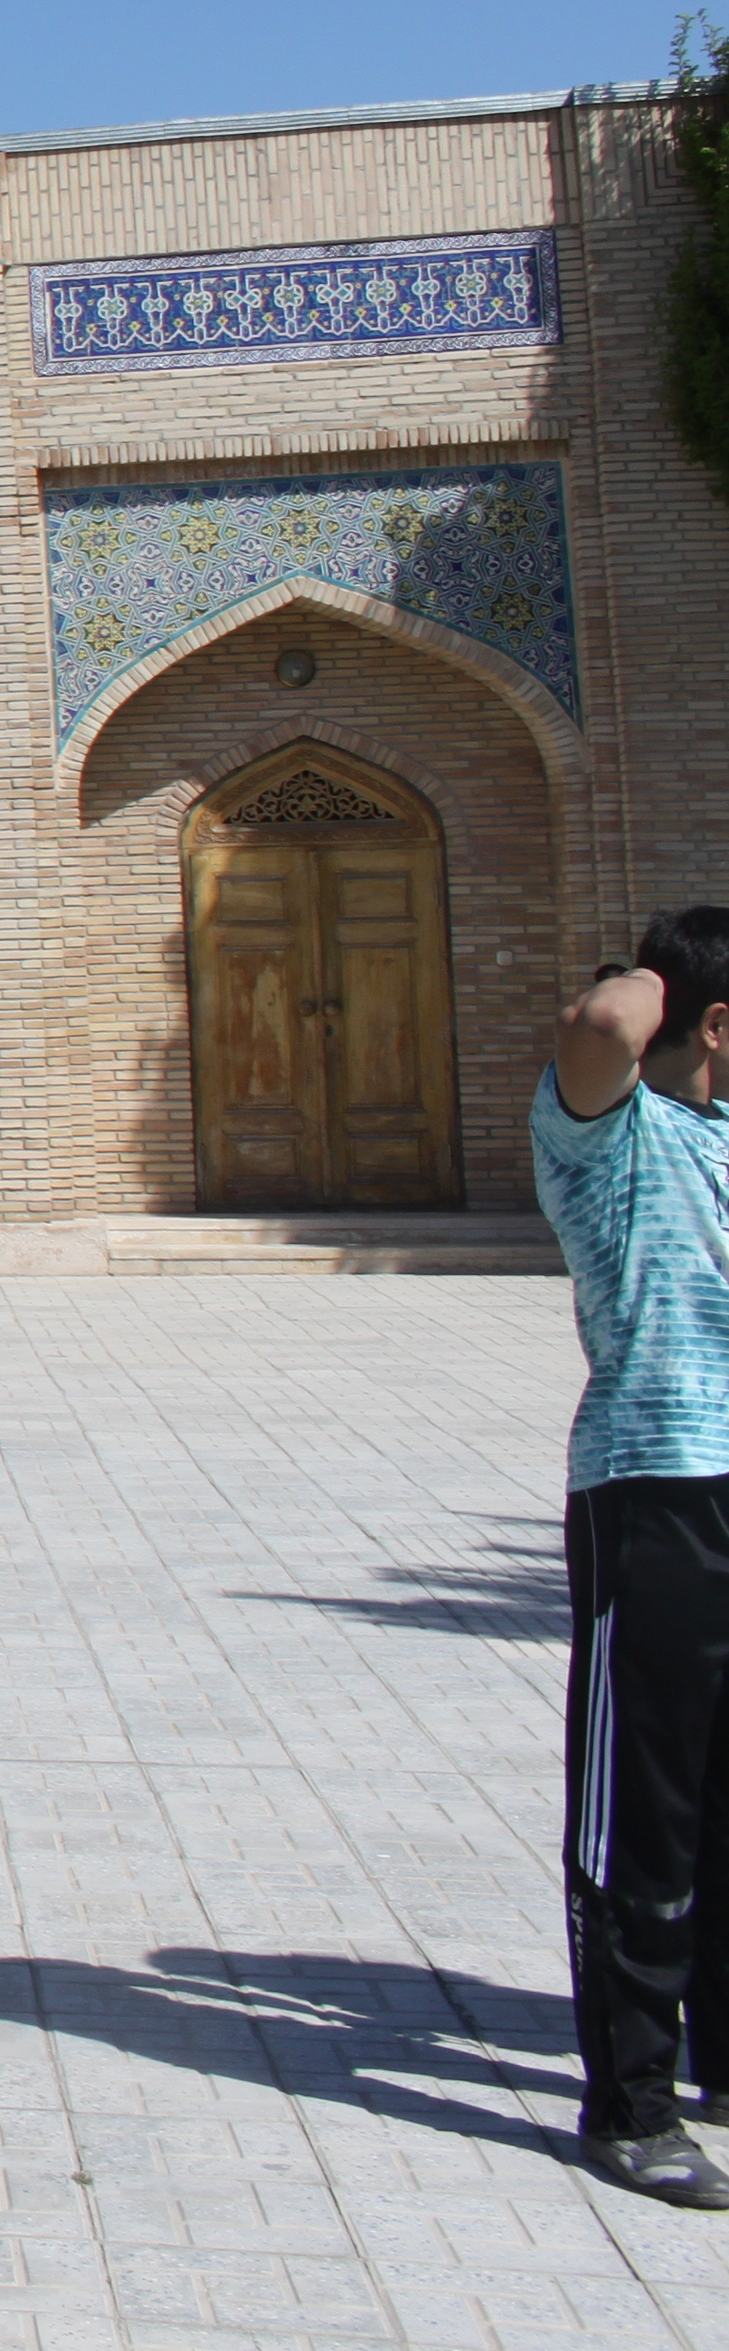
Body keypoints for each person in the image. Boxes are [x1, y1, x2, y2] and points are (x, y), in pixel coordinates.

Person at [532, 912, 729, 2209]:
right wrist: (678, 955)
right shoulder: (613, 1138)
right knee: (643, 1812)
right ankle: (631, 2102)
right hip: (656, 1497)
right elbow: (608, 1025)